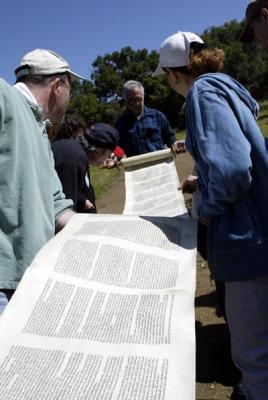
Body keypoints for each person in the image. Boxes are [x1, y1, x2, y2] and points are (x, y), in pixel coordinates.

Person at [153, 30, 268, 400]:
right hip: (259, 231)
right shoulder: (228, 87)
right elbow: (238, 152)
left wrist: (203, 208)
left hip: (245, 244)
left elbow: (234, 169)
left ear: (172, 74)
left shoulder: (202, 93)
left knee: (256, 359)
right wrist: (201, 177)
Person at [0, 49, 81, 313]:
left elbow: (56, 204)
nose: (69, 99)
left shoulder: (41, 132)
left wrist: (104, 231)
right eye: (72, 89)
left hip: (31, 277)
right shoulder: (4, 97)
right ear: (59, 85)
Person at [51, 121, 119, 212]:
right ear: (97, 152)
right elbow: (65, 209)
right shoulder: (74, 159)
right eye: (109, 154)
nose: (109, 158)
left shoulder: (78, 154)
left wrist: (81, 199)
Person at [115, 80, 184, 157]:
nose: (135, 104)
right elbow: (118, 148)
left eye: (138, 99)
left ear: (143, 96)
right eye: (130, 101)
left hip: (160, 164)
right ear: (125, 100)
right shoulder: (120, 123)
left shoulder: (158, 116)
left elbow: (169, 137)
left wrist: (174, 143)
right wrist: (115, 157)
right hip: (136, 167)